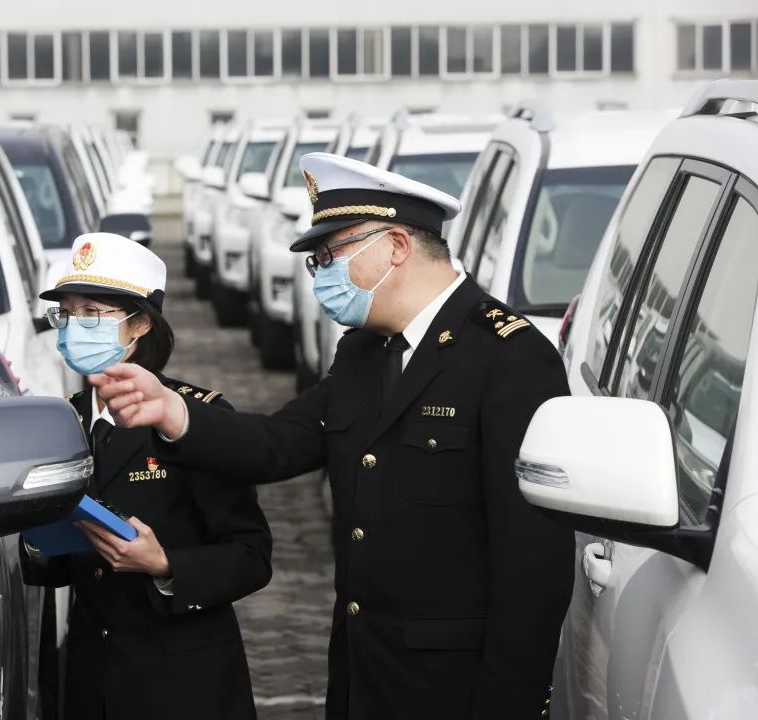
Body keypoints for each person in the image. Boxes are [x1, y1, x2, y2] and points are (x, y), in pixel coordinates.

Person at [91, 154, 575, 719]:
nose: (321, 274)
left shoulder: (508, 358)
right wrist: (175, 413)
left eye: (332, 255)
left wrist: (508, 706)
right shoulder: (364, 351)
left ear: (396, 245)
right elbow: (279, 443)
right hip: (364, 676)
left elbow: (533, 569)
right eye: (316, 260)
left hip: (454, 688)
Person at [21, 232, 272, 720]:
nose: (74, 327)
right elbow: (54, 567)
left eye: (91, 313)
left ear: (137, 325)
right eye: (66, 314)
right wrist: (34, 542)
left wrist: (165, 565)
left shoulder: (194, 420)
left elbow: (251, 555)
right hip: (91, 681)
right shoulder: (59, 423)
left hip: (182, 685)